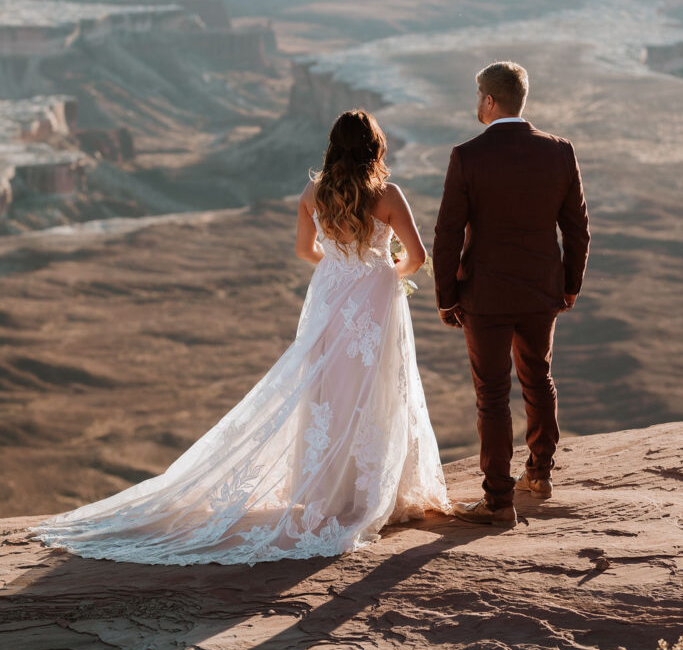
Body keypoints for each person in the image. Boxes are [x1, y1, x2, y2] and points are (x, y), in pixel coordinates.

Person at [32, 110, 451, 566]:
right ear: (375, 146)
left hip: (329, 298)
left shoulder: (313, 193)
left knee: (326, 390)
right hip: (372, 301)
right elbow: (417, 256)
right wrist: (380, 273)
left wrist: (339, 268)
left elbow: (303, 251)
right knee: (373, 388)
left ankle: (330, 493)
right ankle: (372, 491)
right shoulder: (386, 194)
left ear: (333, 145)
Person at [433, 61, 590, 527]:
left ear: (488, 100)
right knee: (538, 378)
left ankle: (498, 501)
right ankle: (539, 473)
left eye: (477, 95)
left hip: (485, 295)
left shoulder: (468, 155)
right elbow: (578, 229)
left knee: (493, 394)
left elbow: (447, 233)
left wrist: (446, 296)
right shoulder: (560, 151)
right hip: (541, 290)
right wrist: (569, 286)